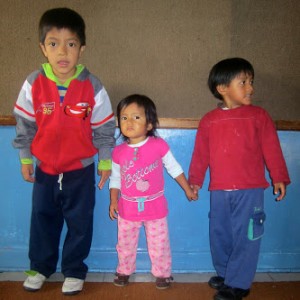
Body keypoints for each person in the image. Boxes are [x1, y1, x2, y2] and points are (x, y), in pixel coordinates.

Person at [12, 8, 115, 295]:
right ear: (43, 48)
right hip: (45, 169)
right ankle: (40, 267)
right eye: (54, 43)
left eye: (71, 44)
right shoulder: (34, 83)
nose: (63, 52)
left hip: (80, 170)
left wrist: (105, 163)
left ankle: (74, 270)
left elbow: (105, 129)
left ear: (81, 49)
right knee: (42, 219)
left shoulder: (92, 86)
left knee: (80, 223)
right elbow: (25, 124)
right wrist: (25, 158)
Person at [188, 58, 290, 300]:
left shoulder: (259, 116)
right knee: (219, 233)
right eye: (243, 82)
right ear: (222, 88)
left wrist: (279, 177)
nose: (250, 88)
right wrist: (195, 180)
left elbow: (272, 148)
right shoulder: (209, 120)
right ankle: (226, 274)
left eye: (251, 82)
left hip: (250, 190)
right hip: (220, 191)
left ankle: (239, 283)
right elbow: (201, 153)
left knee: (247, 236)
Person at [109, 94, 197, 289]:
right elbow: (115, 179)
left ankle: (163, 273)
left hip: (155, 207)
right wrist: (114, 200)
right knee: (125, 243)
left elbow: (174, 168)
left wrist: (187, 188)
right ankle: (124, 270)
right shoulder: (118, 152)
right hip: (128, 208)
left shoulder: (158, 145)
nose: (129, 121)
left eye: (136, 117)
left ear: (149, 124)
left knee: (159, 244)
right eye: (124, 117)